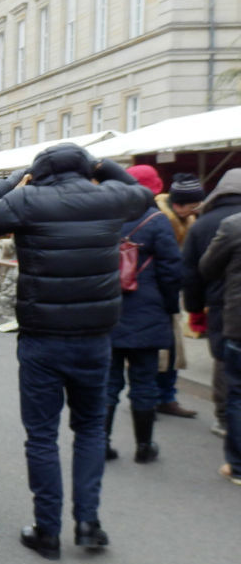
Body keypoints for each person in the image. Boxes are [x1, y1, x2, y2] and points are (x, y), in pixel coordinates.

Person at [0, 143, 151, 560]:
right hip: (96, 338)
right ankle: (87, 523)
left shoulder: (28, 199)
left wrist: (12, 180)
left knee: (42, 436)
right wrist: (105, 166)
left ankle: (47, 531)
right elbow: (143, 194)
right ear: (87, 169)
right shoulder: (108, 197)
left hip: (43, 337)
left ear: (39, 172)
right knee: (91, 430)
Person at [104, 165, 183, 464]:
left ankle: (101, 444)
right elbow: (171, 271)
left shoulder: (106, 218)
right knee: (144, 383)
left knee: (108, 384)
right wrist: (169, 307)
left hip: (108, 312)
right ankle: (144, 446)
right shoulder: (157, 221)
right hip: (148, 313)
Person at [183, 169, 241, 439]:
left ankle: (224, 418)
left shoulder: (204, 223)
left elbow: (195, 270)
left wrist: (194, 306)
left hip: (222, 303)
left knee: (224, 360)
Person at [153, 173, 206, 418]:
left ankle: (165, 397)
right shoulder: (160, 221)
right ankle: (149, 398)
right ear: (178, 204)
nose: (194, 210)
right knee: (155, 350)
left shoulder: (189, 222)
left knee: (172, 350)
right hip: (153, 296)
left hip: (173, 295)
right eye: (192, 206)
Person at [198, 211, 241, 487]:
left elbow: (207, 268)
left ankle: (238, 466)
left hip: (239, 322)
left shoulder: (234, 225)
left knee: (237, 392)